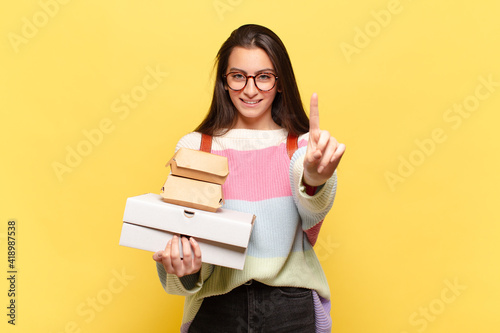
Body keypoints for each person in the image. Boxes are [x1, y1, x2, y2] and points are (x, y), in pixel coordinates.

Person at [152, 24, 345, 333]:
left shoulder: (303, 149)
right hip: (217, 308)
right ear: (224, 82)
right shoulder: (196, 148)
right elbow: (183, 248)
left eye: (264, 77)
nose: (250, 89)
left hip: (290, 308)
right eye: (238, 76)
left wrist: (314, 178)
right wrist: (185, 268)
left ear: (280, 83)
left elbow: (313, 216)